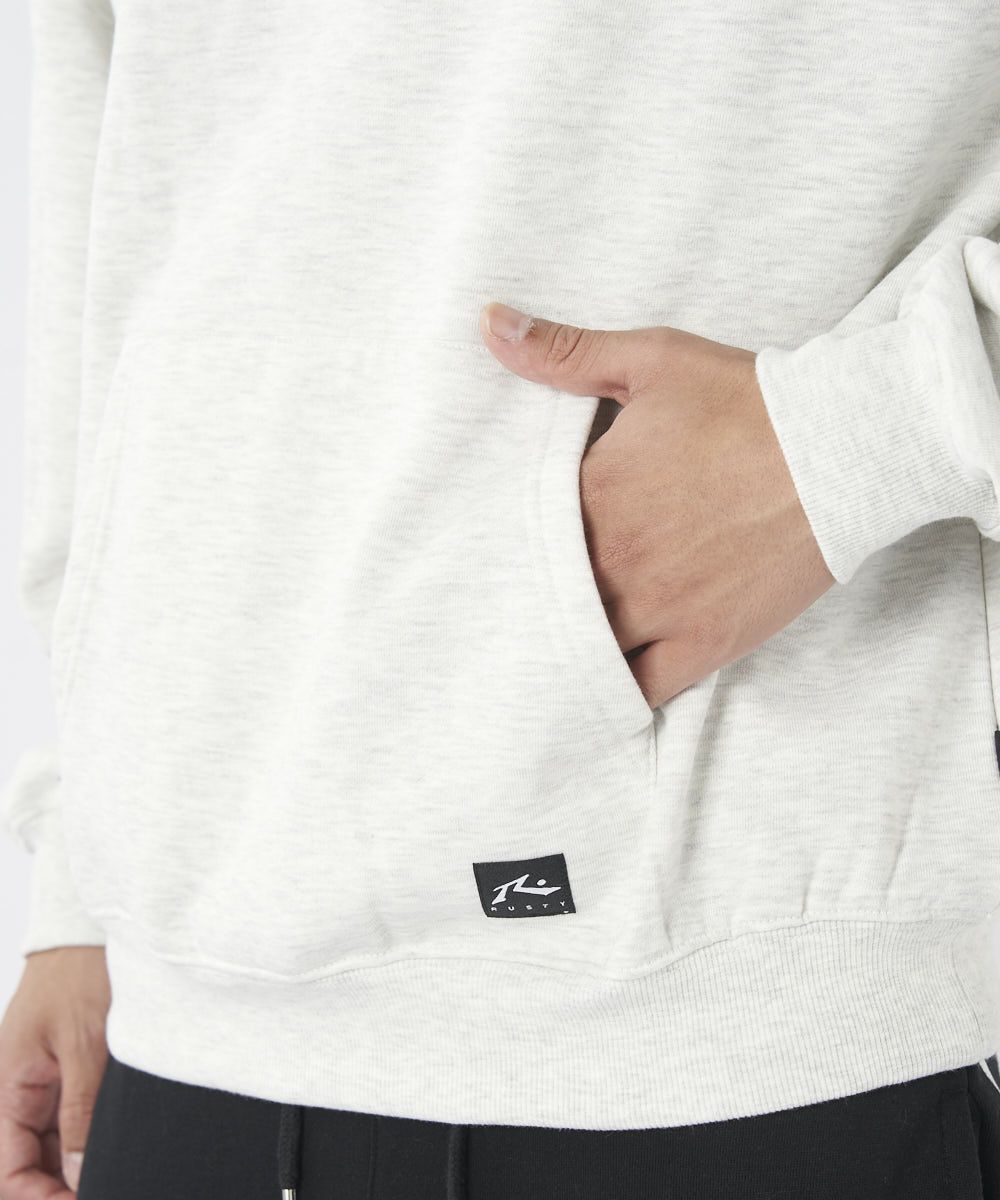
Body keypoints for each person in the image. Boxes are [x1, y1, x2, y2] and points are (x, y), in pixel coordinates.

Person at [1, 0, 1000, 1196]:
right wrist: (81, 871)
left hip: (750, 997)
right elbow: (114, 199)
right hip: (184, 1013)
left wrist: (873, 429)